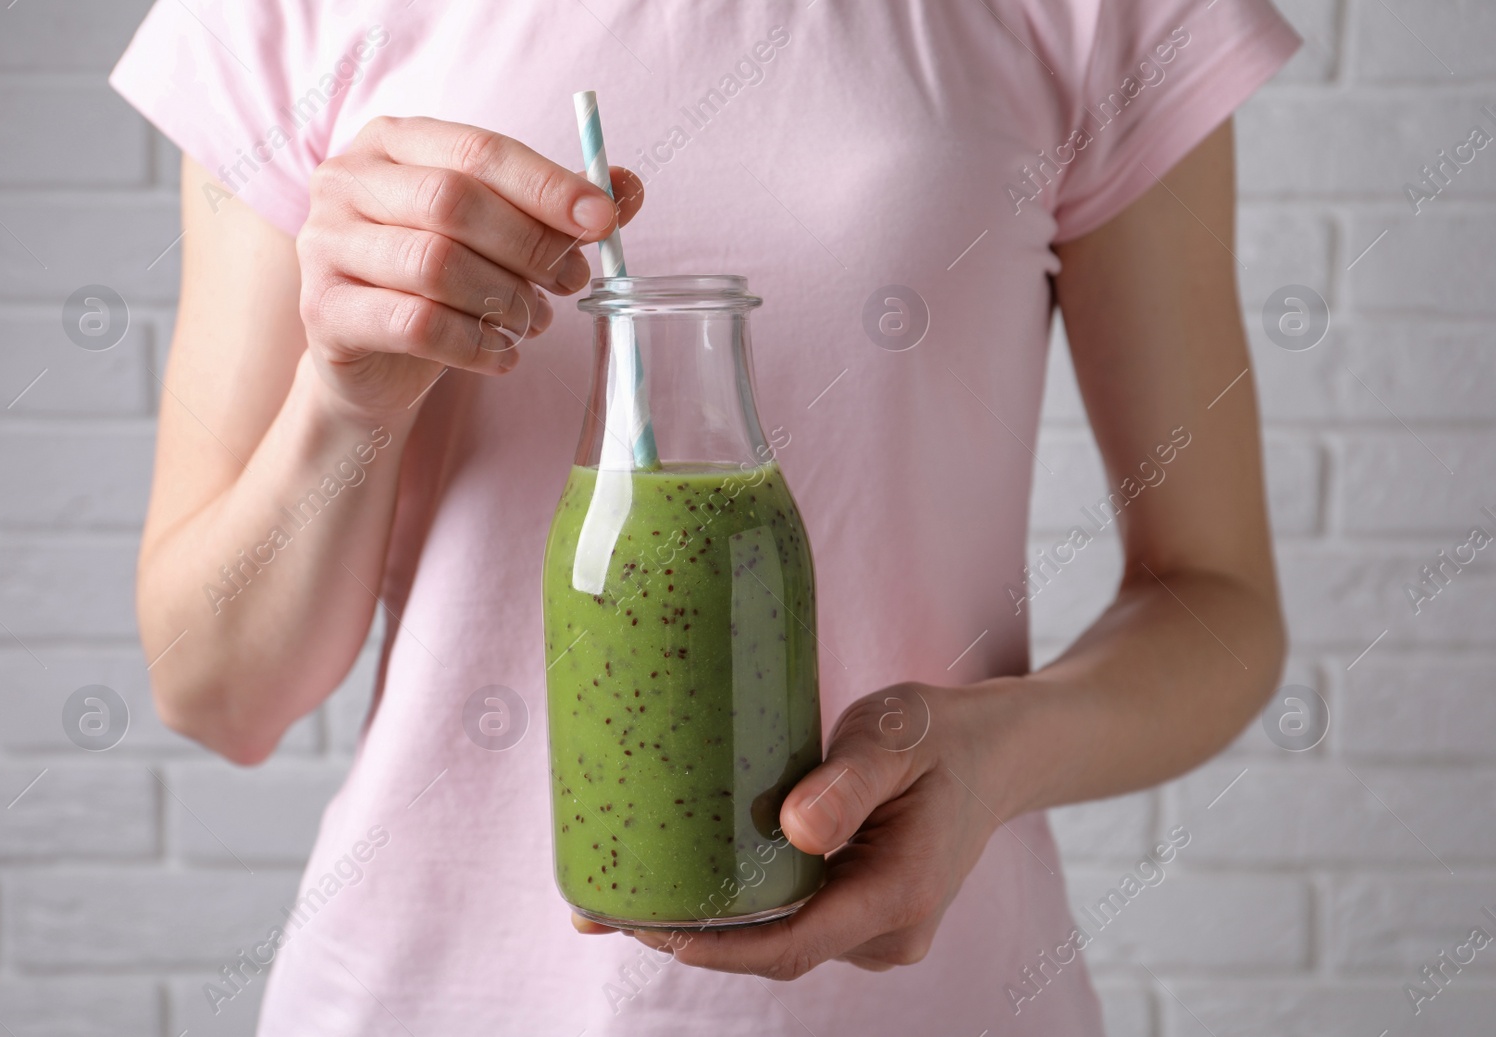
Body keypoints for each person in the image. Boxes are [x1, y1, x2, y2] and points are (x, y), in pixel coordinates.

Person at [112, 1, 1299, 1033]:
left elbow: (1215, 601)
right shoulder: (283, 14)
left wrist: (995, 754)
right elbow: (217, 690)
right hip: (424, 996)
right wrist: (344, 398)